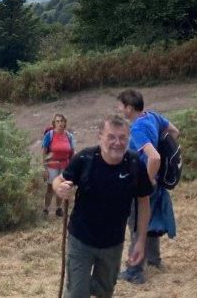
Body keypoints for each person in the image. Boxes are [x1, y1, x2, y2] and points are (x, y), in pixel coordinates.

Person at [53, 115, 153, 298]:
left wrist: (140, 241)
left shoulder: (133, 164)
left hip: (112, 244)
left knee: (104, 293)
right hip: (81, 241)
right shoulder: (85, 158)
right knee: (77, 293)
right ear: (100, 136)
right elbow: (59, 180)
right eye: (111, 137)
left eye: (122, 137)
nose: (117, 143)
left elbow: (144, 201)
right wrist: (59, 189)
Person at [116, 89, 180, 284]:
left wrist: (147, 180)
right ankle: (153, 259)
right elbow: (175, 132)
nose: (118, 109)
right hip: (157, 181)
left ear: (128, 108)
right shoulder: (152, 116)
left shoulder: (138, 129)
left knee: (137, 225)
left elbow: (155, 157)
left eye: (120, 105)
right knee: (150, 221)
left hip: (144, 183)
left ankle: (135, 270)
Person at [41, 113, 75, 216]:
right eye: (57, 121)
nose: (60, 123)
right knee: (50, 187)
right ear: (54, 123)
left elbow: (72, 152)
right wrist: (44, 168)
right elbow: (43, 152)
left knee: (61, 187)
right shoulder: (49, 135)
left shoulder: (69, 136)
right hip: (52, 165)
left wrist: (72, 168)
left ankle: (59, 209)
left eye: (62, 121)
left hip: (65, 165)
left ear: (65, 122)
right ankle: (46, 209)